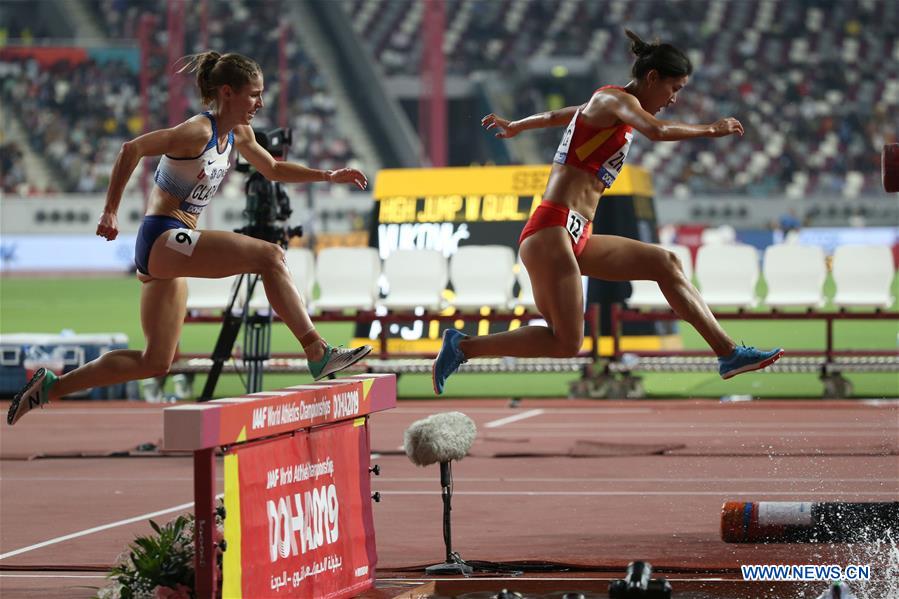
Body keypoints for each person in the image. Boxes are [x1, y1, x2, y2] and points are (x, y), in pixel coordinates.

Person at [8, 51, 371, 425]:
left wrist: (328, 176)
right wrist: (111, 209)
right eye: (253, 95)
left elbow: (274, 169)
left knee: (156, 361)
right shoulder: (197, 131)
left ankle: (50, 387)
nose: (260, 103)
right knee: (271, 256)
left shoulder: (239, 134)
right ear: (227, 93)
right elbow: (131, 149)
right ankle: (317, 350)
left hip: (173, 249)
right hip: (162, 235)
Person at [432, 29, 783, 395]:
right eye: (673, 88)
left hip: (576, 233)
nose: (674, 99)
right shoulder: (612, 99)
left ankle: (728, 354)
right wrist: (712, 128)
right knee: (567, 343)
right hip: (551, 229)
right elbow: (658, 131)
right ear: (652, 78)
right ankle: (463, 346)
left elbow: (563, 115)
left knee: (666, 263)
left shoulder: (610, 109)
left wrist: (520, 124)